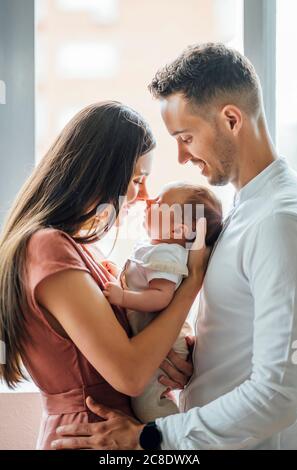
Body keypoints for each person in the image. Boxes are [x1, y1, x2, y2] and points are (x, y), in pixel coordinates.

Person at [52, 43, 297, 450]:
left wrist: (152, 436)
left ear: (232, 119)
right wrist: (191, 359)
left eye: (186, 137)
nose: (182, 157)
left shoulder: (278, 222)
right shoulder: (243, 211)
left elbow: (278, 394)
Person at [0, 101, 208, 449]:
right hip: (88, 436)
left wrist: (169, 361)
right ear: (99, 174)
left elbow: (133, 358)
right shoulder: (48, 247)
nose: (144, 196)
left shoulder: (83, 252)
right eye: (137, 180)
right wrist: (192, 282)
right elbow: (129, 374)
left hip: (114, 435)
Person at [103, 182, 223, 423]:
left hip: (167, 345)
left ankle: (170, 433)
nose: (149, 202)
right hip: (154, 337)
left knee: (149, 404)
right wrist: (118, 274)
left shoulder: (167, 254)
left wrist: (123, 296)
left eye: (159, 203)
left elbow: (161, 296)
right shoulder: (154, 248)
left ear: (179, 229)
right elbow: (143, 280)